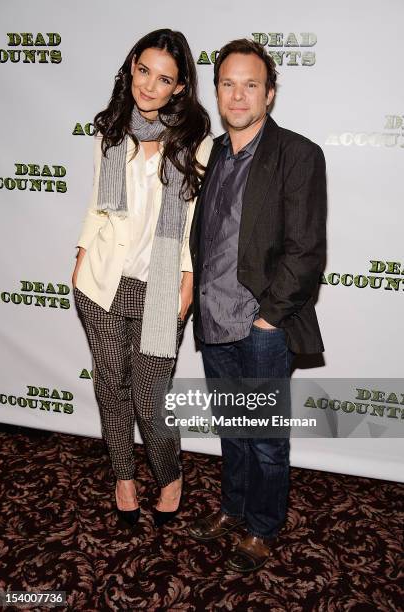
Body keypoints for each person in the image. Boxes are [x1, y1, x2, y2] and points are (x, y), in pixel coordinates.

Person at [188, 39, 326, 572]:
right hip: (214, 320)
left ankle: (264, 527)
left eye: (250, 84)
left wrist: (269, 317)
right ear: (217, 90)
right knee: (233, 431)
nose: (238, 94)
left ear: (269, 93)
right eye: (228, 83)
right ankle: (233, 508)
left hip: (262, 328)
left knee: (267, 440)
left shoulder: (298, 154)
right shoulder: (214, 153)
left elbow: (306, 249)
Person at [72, 28, 212, 528]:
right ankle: (123, 476)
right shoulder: (111, 129)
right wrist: (81, 255)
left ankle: (170, 475)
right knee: (111, 386)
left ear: (179, 87)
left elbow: (194, 222)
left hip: (159, 288)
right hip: (103, 283)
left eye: (165, 79)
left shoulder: (195, 139)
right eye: (144, 71)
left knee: (149, 398)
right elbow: (100, 204)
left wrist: (188, 279)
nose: (150, 86)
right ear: (132, 66)